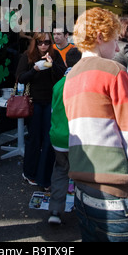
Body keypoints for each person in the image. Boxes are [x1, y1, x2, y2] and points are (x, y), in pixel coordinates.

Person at [63, 7, 128, 242]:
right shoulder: (114, 72)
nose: (117, 48)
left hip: (83, 194)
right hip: (119, 196)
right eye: (114, 40)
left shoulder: (70, 77)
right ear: (99, 37)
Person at [16, 32, 66, 189]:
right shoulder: (27, 56)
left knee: (48, 139)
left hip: (50, 101)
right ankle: (29, 172)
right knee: (34, 138)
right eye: (40, 42)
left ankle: (44, 175)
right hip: (34, 102)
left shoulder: (55, 54)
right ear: (35, 43)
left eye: (46, 42)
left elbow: (63, 75)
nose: (43, 45)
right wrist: (35, 69)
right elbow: (20, 78)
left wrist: (53, 65)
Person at [48, 47, 81, 225]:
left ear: (66, 62)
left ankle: (55, 210)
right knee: (81, 173)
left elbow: (53, 111)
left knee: (60, 172)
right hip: (77, 137)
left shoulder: (58, 85)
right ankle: (83, 208)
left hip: (58, 136)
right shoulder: (83, 83)